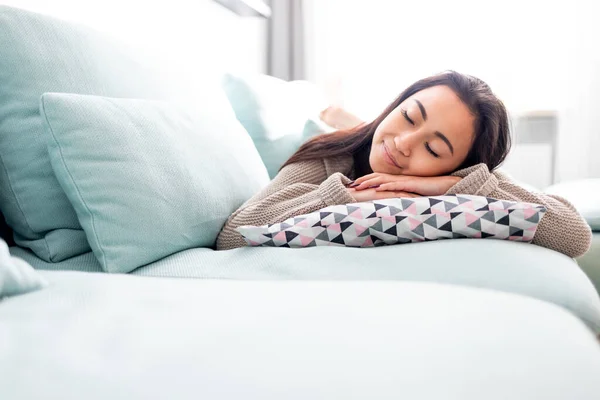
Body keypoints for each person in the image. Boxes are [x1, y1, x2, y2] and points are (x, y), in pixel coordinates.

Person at [216, 71, 592, 257]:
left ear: (457, 164)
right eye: (409, 117)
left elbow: (574, 235)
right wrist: (348, 196)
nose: (404, 143)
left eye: (434, 148)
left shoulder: (464, 180)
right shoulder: (331, 156)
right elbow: (234, 234)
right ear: (396, 104)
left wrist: (449, 187)